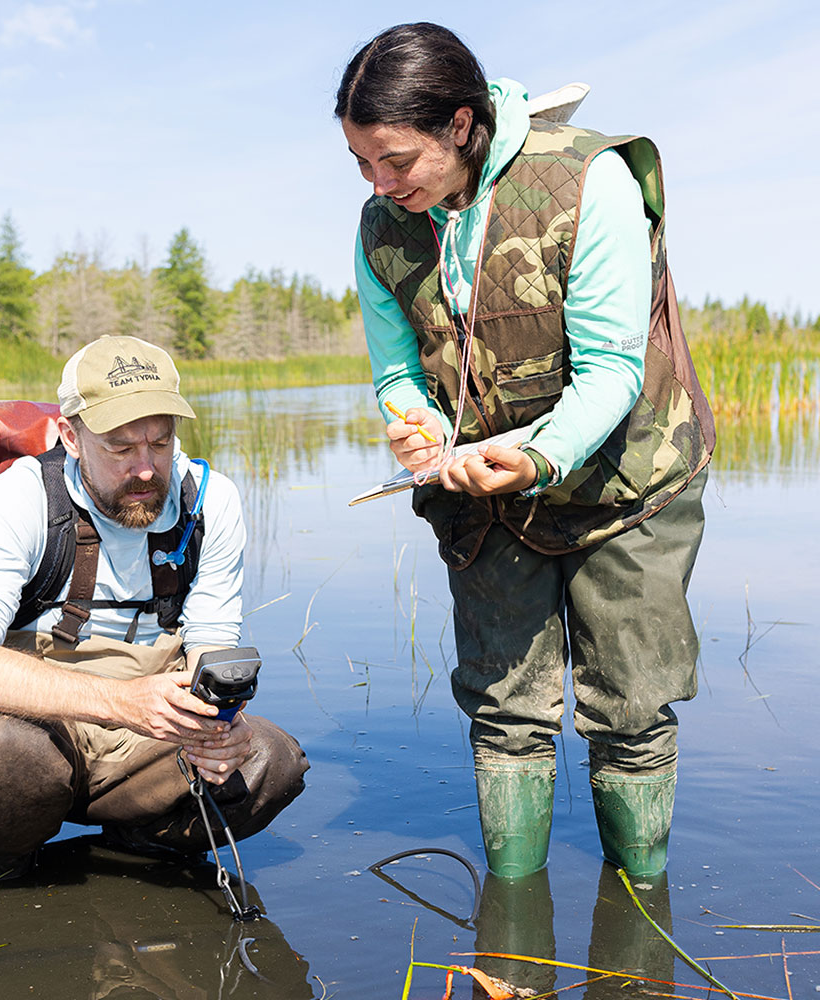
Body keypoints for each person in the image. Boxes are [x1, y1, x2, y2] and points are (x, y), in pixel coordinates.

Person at [336, 23, 714, 879]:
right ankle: (512, 926)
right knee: (506, 711)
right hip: (482, 489)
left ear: (462, 126)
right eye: (361, 163)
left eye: (396, 160)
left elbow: (613, 367)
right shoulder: (381, 226)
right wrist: (416, 427)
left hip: (628, 480)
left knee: (631, 709)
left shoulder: (590, 180)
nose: (380, 184)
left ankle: (642, 923)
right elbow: (397, 369)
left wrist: (537, 459)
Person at [0, 335, 308, 883]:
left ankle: (138, 847)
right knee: (6, 753)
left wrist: (222, 727)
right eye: (121, 447)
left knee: (269, 762)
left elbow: (211, 644)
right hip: (37, 726)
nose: (147, 469)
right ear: (72, 436)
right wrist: (122, 702)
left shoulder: (211, 501)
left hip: (148, 738)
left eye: (160, 442)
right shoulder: (22, 498)